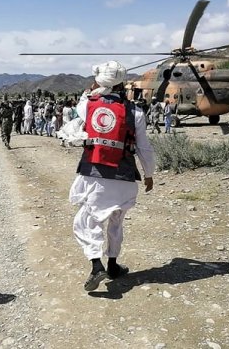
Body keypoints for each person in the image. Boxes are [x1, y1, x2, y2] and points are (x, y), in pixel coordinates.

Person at [69, 60, 155, 291]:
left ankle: (97, 265)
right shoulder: (135, 112)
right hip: (124, 175)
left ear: (99, 81)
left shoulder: (88, 105)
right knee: (116, 222)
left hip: (95, 174)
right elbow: (144, 147)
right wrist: (149, 174)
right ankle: (113, 265)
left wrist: (93, 87)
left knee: (87, 221)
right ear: (122, 84)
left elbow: (82, 101)